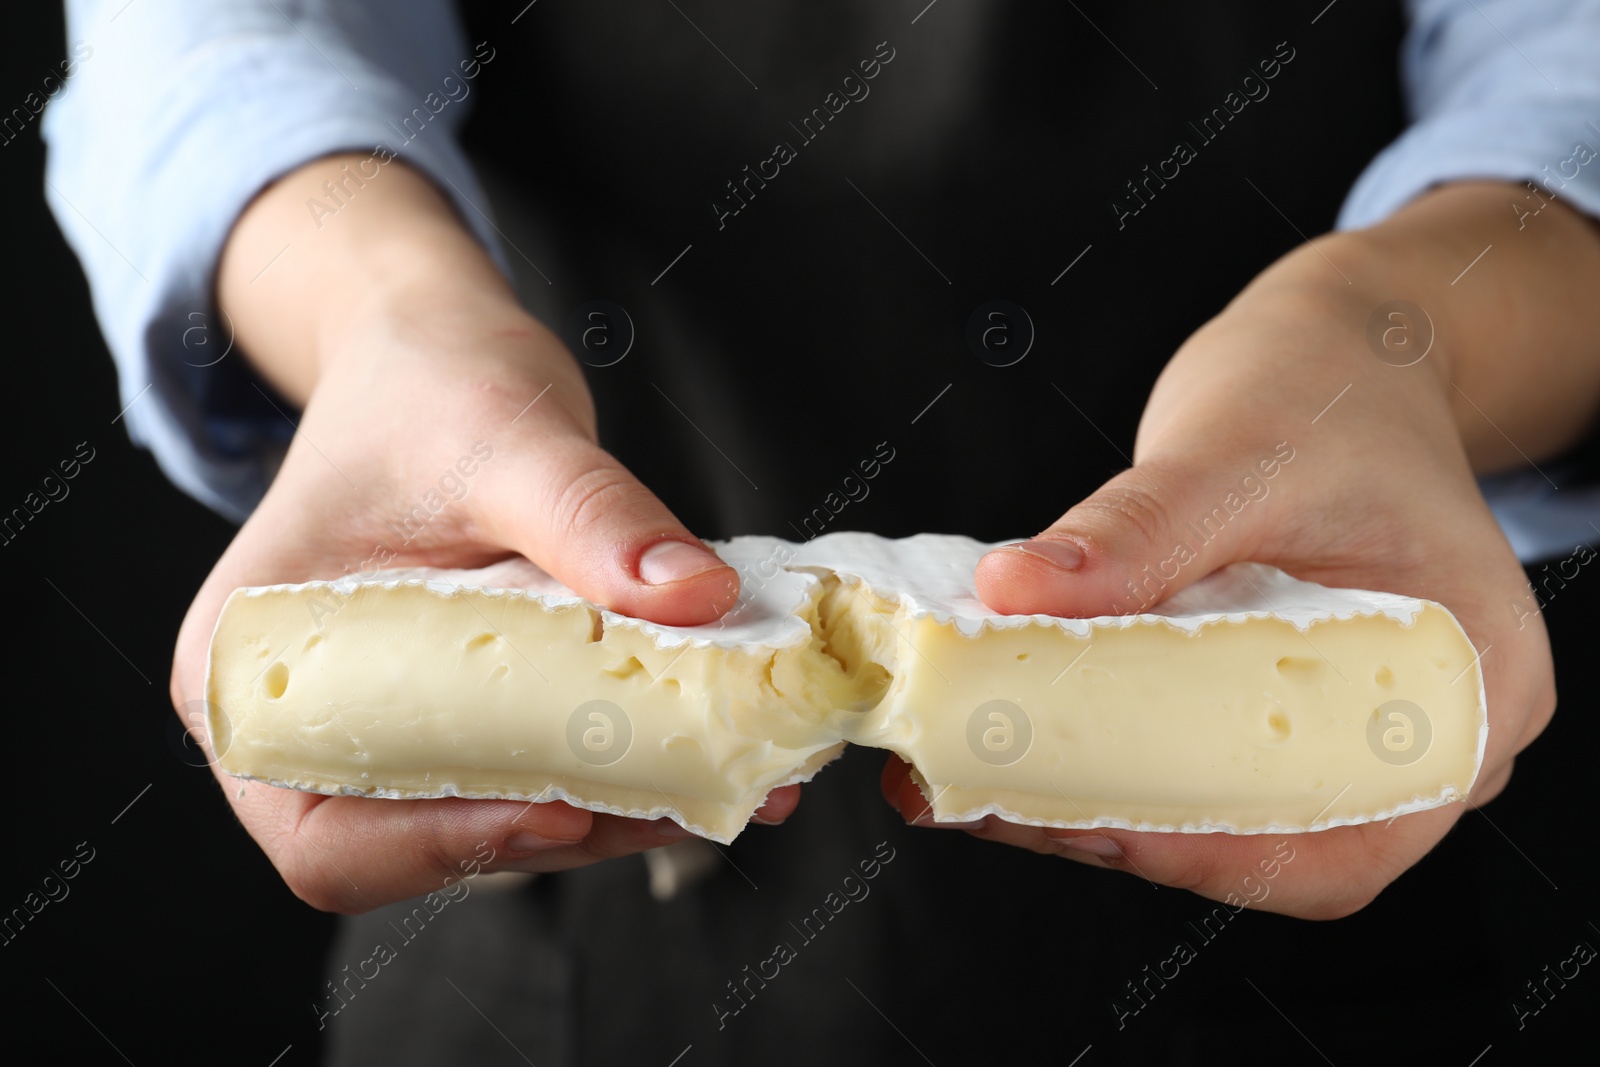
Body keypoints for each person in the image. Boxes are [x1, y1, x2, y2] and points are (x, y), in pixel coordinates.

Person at [45, 0, 1600, 1061]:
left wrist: (1403, 335)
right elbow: (219, 39)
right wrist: (385, 317)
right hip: (558, 968)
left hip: (1322, 947)